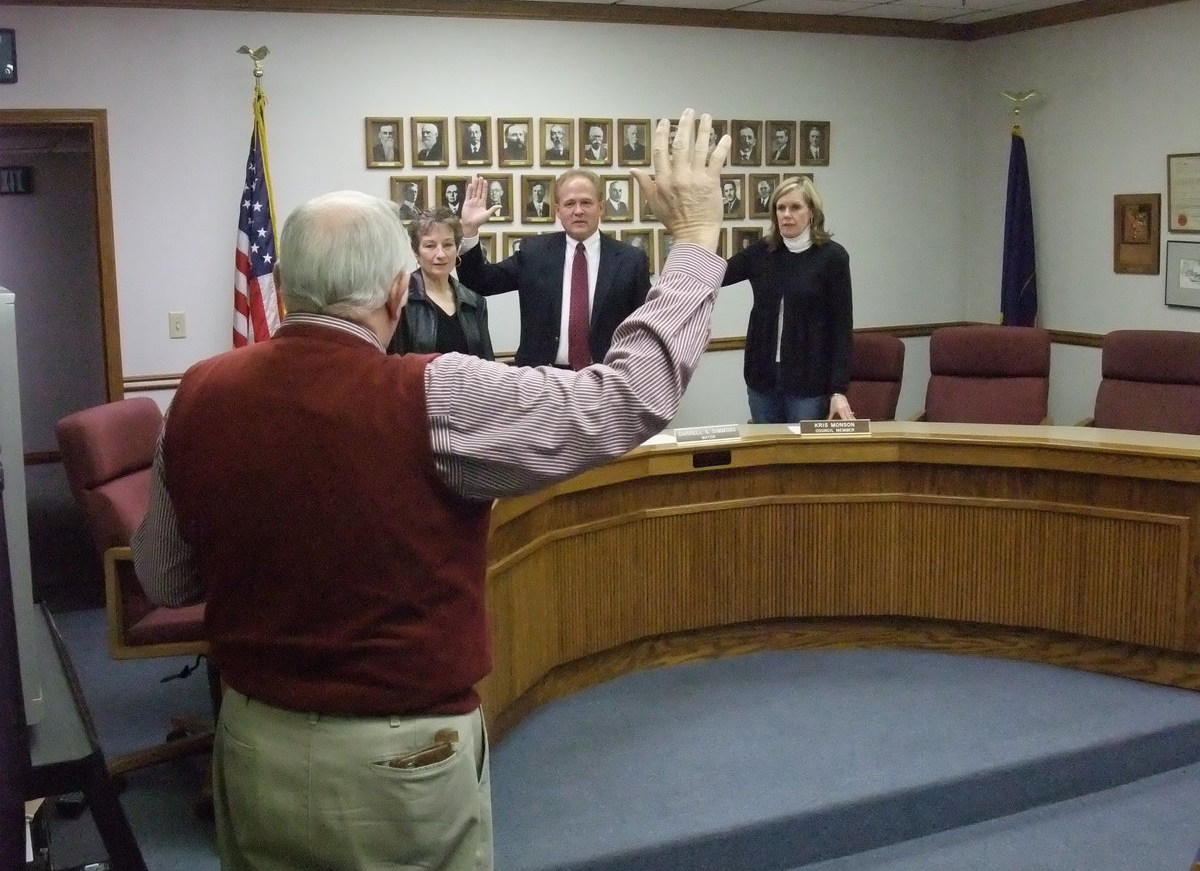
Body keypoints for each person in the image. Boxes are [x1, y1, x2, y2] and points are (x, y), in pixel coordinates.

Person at [132, 108, 730, 871]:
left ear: (283, 285)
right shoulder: (437, 396)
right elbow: (628, 398)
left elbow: (164, 576)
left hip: (252, 743)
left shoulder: (196, 393)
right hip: (400, 762)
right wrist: (697, 241)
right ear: (397, 291)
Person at [457, 168, 651, 368]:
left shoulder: (631, 260)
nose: (578, 211)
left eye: (586, 202)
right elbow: (479, 283)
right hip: (543, 380)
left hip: (607, 379)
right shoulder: (534, 253)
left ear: (601, 208)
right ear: (558, 211)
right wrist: (469, 230)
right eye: (569, 204)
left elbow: (645, 328)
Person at [722, 176, 854, 424]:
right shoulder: (763, 251)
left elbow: (842, 328)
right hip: (762, 379)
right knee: (764, 456)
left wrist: (838, 390)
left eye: (795, 207)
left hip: (808, 383)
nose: (786, 214)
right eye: (780, 208)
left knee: (799, 459)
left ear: (812, 212)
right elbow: (717, 275)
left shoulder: (832, 258)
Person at [389, 207, 494, 361]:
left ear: (457, 249)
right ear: (416, 252)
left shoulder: (475, 302)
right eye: (430, 246)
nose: (441, 254)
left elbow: (486, 364)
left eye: (447, 245)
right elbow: (393, 366)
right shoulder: (400, 298)